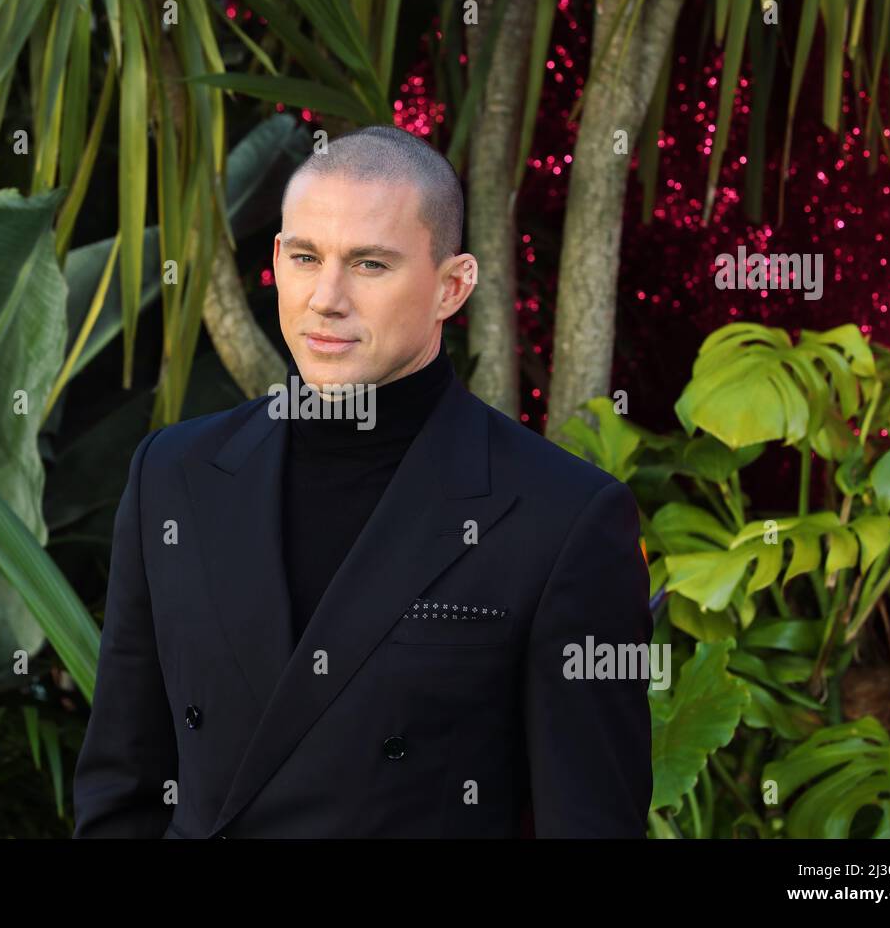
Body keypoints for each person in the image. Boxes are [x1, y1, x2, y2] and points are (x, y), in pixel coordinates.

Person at [72, 125, 652, 838]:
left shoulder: (563, 518)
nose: (327, 298)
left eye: (370, 265)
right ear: (278, 260)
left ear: (452, 286)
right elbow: (123, 786)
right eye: (307, 258)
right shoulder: (173, 475)